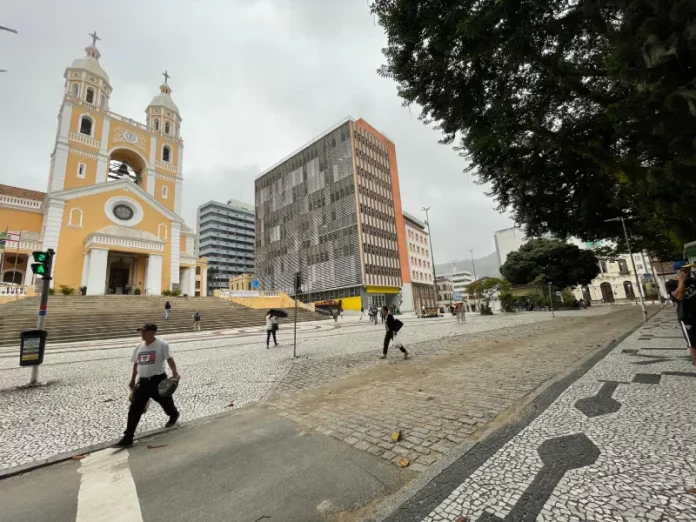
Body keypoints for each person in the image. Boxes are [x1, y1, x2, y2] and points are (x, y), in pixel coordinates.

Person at [116, 323, 180, 447]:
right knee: (134, 409)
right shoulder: (139, 347)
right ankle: (128, 437)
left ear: (153, 332)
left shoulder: (162, 345)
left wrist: (175, 374)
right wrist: (133, 379)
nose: (142, 334)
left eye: (145, 331)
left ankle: (174, 414)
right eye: (141, 332)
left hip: (158, 381)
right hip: (143, 382)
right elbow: (136, 364)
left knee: (166, 404)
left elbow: (170, 359)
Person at [666, 261, 696, 366]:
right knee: (694, 343)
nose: (688, 271)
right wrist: (682, 281)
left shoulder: (693, 280)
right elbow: (679, 296)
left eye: (689, 269)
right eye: (685, 269)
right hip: (687, 317)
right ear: (679, 271)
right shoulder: (671, 284)